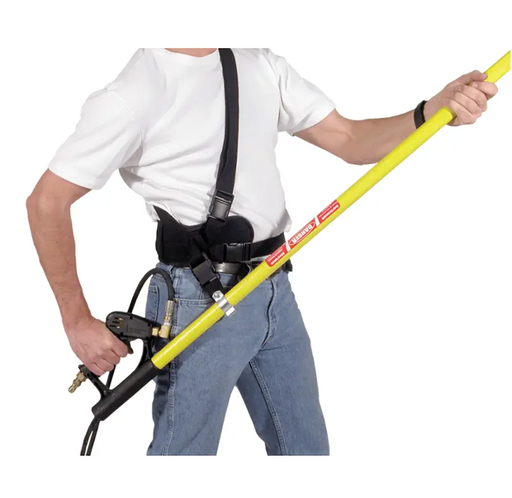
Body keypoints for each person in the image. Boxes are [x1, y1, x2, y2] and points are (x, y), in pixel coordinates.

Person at [26, 48, 499, 456]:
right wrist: (76, 319)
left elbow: (351, 140)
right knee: (183, 457)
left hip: (272, 286)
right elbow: (46, 202)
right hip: (197, 299)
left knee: (306, 450)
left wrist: (430, 112)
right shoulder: (134, 92)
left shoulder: (255, 61)